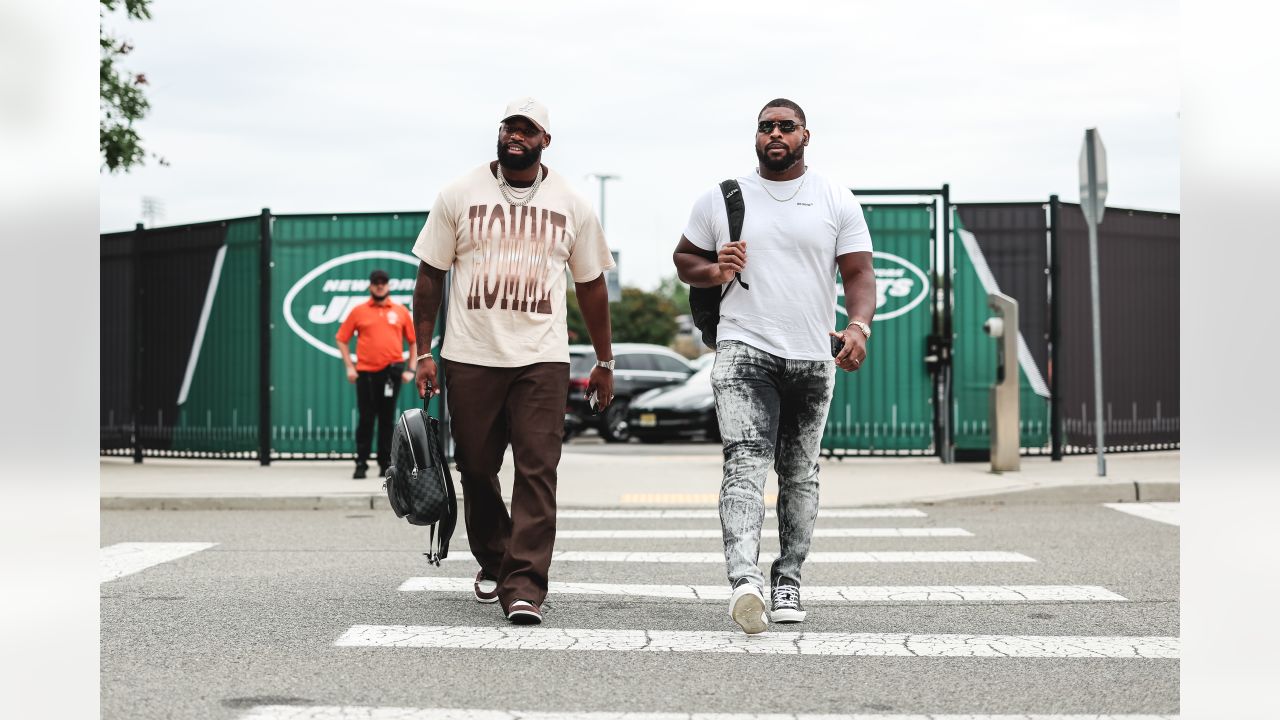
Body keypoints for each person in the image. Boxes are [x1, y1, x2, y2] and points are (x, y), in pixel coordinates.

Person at [409, 96, 616, 625]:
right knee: (476, 469)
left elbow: (591, 284)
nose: (515, 135)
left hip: (541, 358)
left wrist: (604, 361)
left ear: (546, 140)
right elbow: (430, 275)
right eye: (509, 127)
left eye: (527, 129)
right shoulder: (458, 193)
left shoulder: (572, 202)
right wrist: (422, 351)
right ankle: (496, 557)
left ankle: (524, 586)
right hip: (470, 354)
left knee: (538, 469)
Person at [673, 98, 876, 634]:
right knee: (744, 463)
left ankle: (788, 579)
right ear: (756, 137)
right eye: (766, 127)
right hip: (744, 348)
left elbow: (858, 273)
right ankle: (745, 582)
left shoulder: (834, 197)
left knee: (800, 475)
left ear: (806, 135)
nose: (775, 134)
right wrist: (716, 268)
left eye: (786, 126)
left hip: (811, 355)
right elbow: (683, 261)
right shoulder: (723, 198)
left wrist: (858, 326)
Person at [335, 269, 417, 480]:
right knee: (366, 419)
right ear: (370, 286)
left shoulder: (400, 311)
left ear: (388, 285)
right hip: (366, 374)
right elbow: (341, 338)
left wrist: (410, 368)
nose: (380, 285)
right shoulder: (359, 311)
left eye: (383, 282)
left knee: (387, 420)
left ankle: (387, 465)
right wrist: (349, 367)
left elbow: (413, 340)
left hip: (392, 373)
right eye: (376, 282)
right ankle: (361, 463)